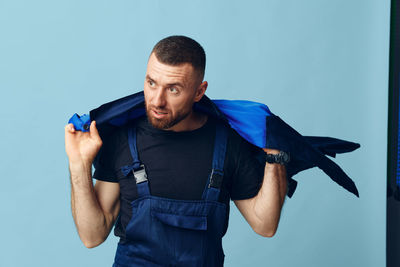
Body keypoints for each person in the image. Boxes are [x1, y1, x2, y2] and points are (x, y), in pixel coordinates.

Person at [65, 35, 287, 266]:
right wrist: (78, 165)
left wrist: (276, 155)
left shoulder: (228, 143)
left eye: (173, 89)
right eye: (151, 83)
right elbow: (92, 236)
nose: (157, 101)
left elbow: (265, 225)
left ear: (199, 92)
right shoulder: (122, 140)